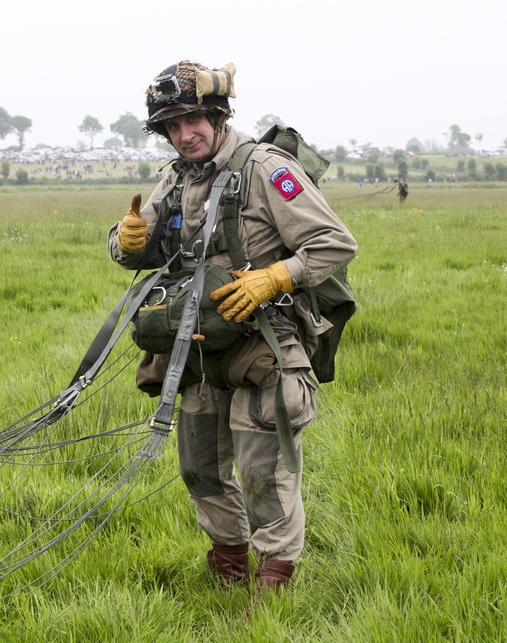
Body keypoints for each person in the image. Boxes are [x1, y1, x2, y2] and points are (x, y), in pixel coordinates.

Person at [107, 60, 357, 593]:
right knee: (199, 467)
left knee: (264, 471)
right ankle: (227, 568)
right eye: (173, 126)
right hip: (197, 346)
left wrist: (273, 278)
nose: (185, 134)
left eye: (194, 120)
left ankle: (272, 582)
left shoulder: (266, 167)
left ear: (219, 115)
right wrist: (125, 242)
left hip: (265, 344)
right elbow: (137, 243)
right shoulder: (175, 178)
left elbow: (336, 242)